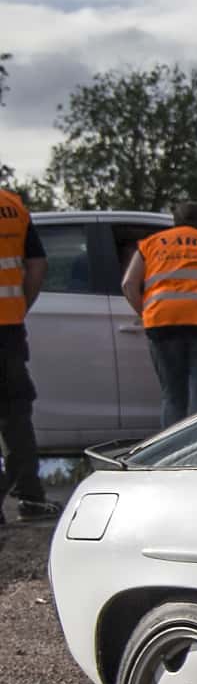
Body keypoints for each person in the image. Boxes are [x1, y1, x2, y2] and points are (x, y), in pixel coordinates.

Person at [120, 202, 197, 429]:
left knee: (172, 396)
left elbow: (129, 285)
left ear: (175, 223)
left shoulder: (149, 245)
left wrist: (147, 314)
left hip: (162, 324)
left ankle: (172, 458)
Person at [0, 184, 53, 524]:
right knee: (15, 413)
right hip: (7, 328)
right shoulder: (13, 208)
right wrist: (19, 307)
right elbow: (36, 266)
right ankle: (30, 496)